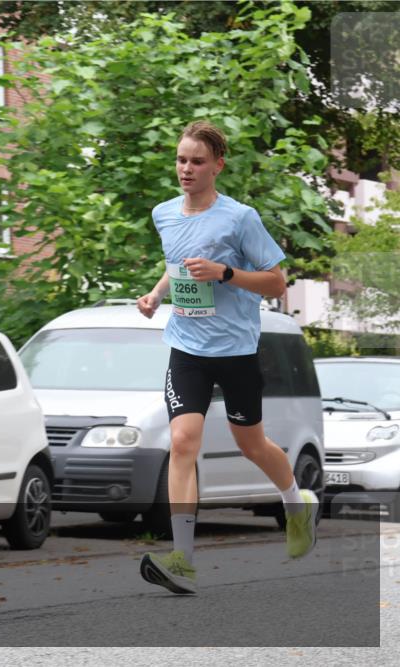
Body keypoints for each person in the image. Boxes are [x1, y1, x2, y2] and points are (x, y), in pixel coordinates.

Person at [136, 120, 318, 595]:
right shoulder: (164, 214)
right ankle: (183, 558)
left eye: (197, 161)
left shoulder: (241, 218)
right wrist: (157, 295)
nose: (186, 169)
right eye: (180, 160)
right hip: (187, 346)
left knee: (251, 444)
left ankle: (295, 503)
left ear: (217, 165)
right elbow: (176, 264)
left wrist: (225, 272)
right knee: (182, 441)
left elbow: (277, 282)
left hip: (236, 350)